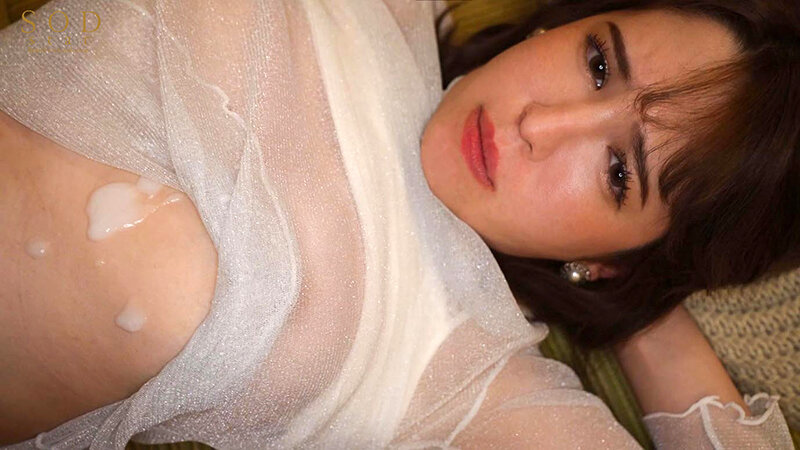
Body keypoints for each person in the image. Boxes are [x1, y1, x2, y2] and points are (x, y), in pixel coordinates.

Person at [0, 1, 795, 449]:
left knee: (174, 274)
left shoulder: (464, 380)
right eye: (597, 63)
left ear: (621, 258)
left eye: (619, 172)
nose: (540, 124)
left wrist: (637, 311)